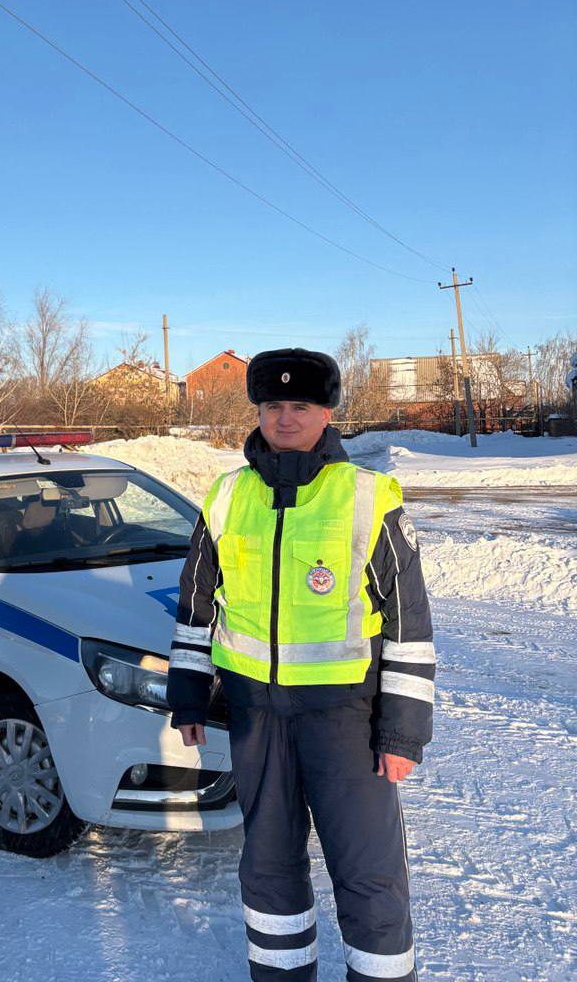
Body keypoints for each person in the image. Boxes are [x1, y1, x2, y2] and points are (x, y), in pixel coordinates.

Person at [166, 348, 434, 982]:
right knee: (267, 866)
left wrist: (401, 733)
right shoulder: (228, 496)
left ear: (327, 412)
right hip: (257, 714)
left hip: (346, 717)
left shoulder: (369, 497)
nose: (285, 419)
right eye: (272, 407)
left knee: (368, 871)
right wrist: (188, 695)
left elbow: (409, 626)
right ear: (258, 412)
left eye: (300, 407)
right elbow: (196, 604)